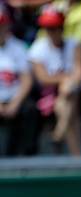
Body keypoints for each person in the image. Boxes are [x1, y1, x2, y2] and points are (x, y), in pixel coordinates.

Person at [29, 5, 81, 156]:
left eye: (55, 27)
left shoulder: (74, 44)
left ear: (62, 27)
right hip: (50, 98)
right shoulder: (38, 48)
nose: (51, 32)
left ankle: (59, 133)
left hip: (78, 93)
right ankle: (78, 158)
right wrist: (65, 81)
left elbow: (79, 72)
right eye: (48, 28)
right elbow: (42, 78)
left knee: (68, 96)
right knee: (68, 106)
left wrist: (68, 84)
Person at [0, 4, 38, 156]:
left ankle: (26, 160)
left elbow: (26, 79)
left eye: (1, 25)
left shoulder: (18, 47)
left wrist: (15, 103)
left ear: (7, 26)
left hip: (15, 99)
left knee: (31, 110)